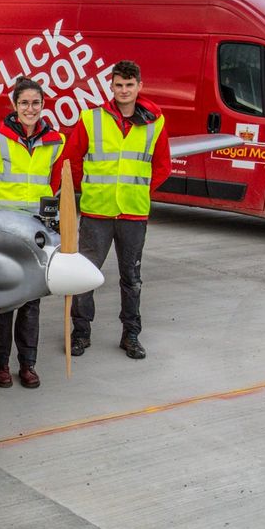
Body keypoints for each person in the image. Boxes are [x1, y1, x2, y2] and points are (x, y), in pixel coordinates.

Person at [65, 60, 171, 360]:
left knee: (132, 278)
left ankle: (131, 335)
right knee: (85, 277)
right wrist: (88, 189)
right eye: (119, 85)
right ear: (111, 87)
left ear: (139, 86)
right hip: (96, 212)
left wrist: (139, 191)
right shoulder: (92, 119)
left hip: (133, 214)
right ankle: (81, 333)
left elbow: (162, 166)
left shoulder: (155, 122)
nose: (124, 90)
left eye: (129, 85)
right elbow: (71, 159)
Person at [0, 78, 66, 389]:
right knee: (4, 301)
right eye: (24, 103)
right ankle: (0, 364)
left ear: (43, 105)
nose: (30, 109)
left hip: (36, 232)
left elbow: (55, 185)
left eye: (35, 103)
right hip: (4, 233)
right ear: (14, 105)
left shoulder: (56, 142)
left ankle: (28, 364)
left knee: (31, 303)